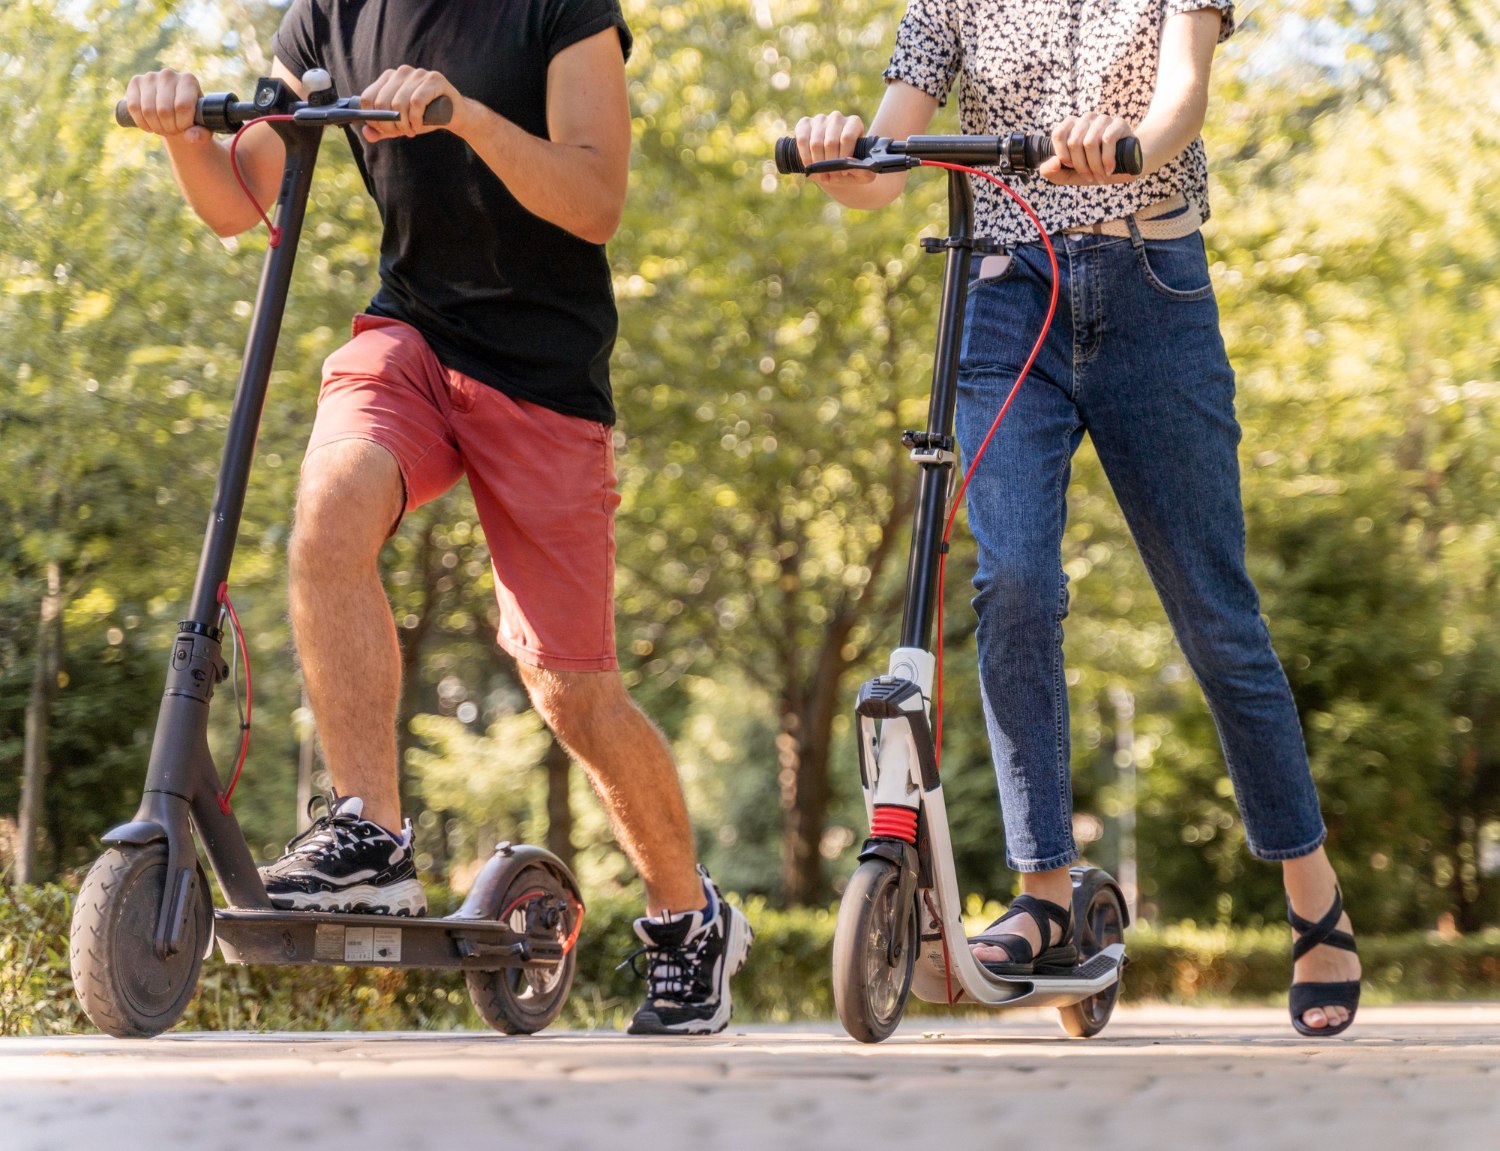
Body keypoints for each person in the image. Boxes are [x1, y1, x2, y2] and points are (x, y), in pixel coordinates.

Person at [122, 0, 750, 1036]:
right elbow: (243, 201)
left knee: (573, 690)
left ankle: (688, 916)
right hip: (411, 336)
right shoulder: (328, 15)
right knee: (325, 517)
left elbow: (596, 198)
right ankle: (369, 832)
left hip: (545, 374)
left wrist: (462, 116)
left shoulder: (562, 9)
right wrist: (186, 132)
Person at [794, 0, 1360, 1036]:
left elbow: (1180, 100)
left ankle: (1312, 892)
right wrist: (845, 160)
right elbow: (885, 162)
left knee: (1217, 619)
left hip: (1152, 285)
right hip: (1008, 295)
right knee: (1011, 583)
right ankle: (1045, 891)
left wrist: (1123, 141)